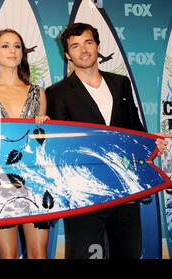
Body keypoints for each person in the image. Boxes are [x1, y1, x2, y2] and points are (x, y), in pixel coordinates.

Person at [46, 22, 169, 259]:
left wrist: (151, 144)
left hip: (125, 188)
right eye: (75, 45)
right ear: (67, 55)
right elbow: (60, 147)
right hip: (85, 193)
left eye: (88, 42)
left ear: (98, 46)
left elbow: (134, 128)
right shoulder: (57, 93)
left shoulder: (120, 83)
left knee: (128, 253)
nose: (83, 50)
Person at [0, 29, 50, 259]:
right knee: (8, 255)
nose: (12, 51)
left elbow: (40, 142)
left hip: (36, 179)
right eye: (5, 46)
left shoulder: (38, 92)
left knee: (39, 253)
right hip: (0, 181)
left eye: (17, 46)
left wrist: (44, 125)